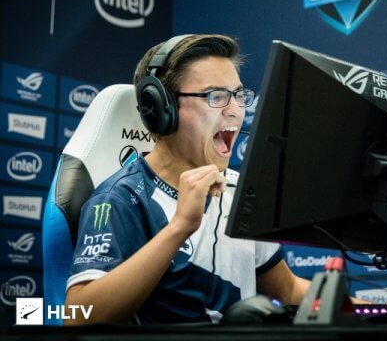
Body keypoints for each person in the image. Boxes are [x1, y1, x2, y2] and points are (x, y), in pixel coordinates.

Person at [64, 34, 311, 325]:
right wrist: (179, 227)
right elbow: (77, 317)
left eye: (238, 95)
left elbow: (287, 289)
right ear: (162, 108)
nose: (235, 110)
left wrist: (354, 306)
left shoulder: (241, 192)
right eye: (215, 96)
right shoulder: (121, 199)